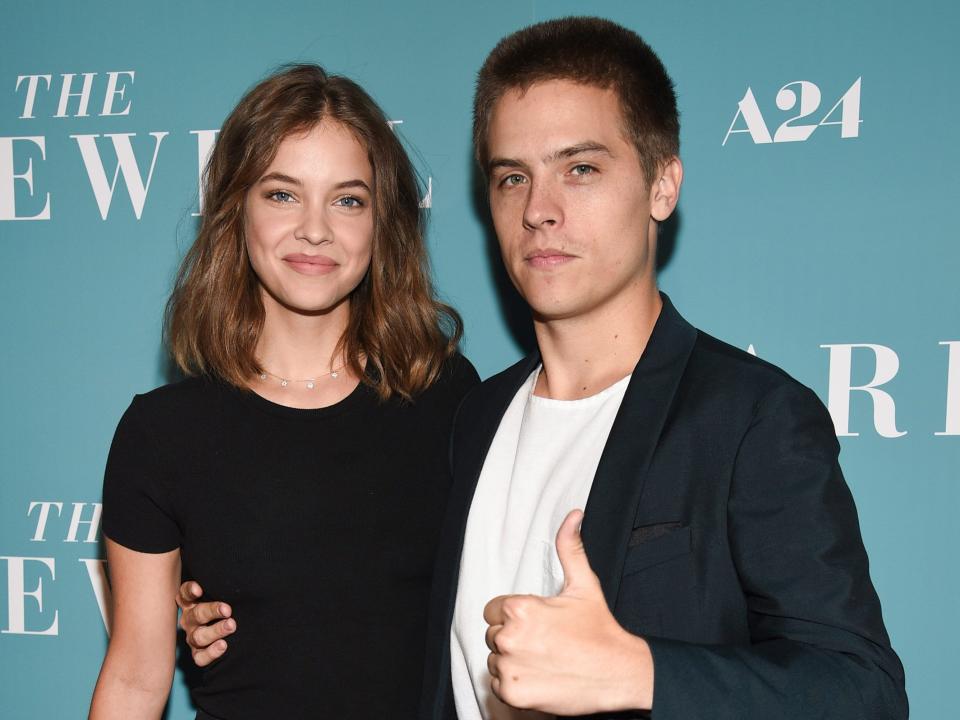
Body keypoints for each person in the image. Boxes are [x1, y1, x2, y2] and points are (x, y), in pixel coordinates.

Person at [182, 18, 908, 720]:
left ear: (662, 184)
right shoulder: (466, 412)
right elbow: (364, 577)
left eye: (581, 169)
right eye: (512, 178)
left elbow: (862, 691)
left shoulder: (750, 418)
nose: (540, 211)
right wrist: (214, 605)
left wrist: (638, 672)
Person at [89, 64, 478, 720]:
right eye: (282, 194)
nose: (316, 229)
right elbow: (133, 678)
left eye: (348, 199)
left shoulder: (445, 397)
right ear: (235, 209)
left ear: (384, 223)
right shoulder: (162, 435)